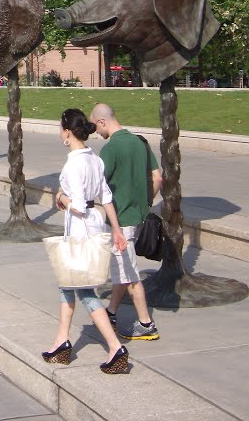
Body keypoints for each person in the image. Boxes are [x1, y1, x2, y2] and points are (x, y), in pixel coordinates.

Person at [43, 108, 130, 374]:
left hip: (81, 230)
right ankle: (61, 342)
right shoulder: (94, 159)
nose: (60, 133)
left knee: (82, 290)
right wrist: (116, 229)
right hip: (95, 224)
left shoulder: (73, 163)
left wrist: (62, 199)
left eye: (61, 129)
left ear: (67, 132)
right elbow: (105, 196)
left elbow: (78, 205)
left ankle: (115, 347)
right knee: (66, 285)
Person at [90, 103, 163, 342]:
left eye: (96, 127)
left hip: (120, 221)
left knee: (130, 274)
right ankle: (111, 311)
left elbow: (97, 186)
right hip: (138, 216)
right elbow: (157, 177)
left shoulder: (110, 149)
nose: (96, 133)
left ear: (102, 121)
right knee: (122, 268)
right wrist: (146, 201)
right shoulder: (140, 142)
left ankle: (145, 324)